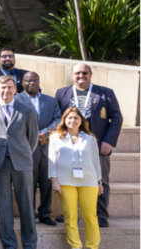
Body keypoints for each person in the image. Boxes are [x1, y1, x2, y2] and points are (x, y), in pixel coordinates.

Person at [54, 63, 122, 227]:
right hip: (69, 146)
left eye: (85, 73)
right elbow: (57, 117)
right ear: (72, 74)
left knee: (100, 180)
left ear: (90, 74)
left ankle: (100, 214)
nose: (81, 76)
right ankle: (70, 213)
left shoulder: (105, 93)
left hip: (97, 146)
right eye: (77, 73)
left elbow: (117, 118)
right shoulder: (62, 93)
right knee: (69, 179)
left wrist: (109, 141)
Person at [0, 76, 40, 249]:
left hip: (22, 162)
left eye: (9, 87)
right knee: (4, 206)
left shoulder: (27, 110)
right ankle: (9, 244)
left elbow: (32, 138)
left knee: (26, 205)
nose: (6, 91)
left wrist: (21, 151)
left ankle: (29, 243)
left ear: (15, 89)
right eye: (2, 87)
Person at [49, 107, 104, 249]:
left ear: (81, 121)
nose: (72, 120)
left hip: (89, 181)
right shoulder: (56, 137)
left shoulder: (90, 138)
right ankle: (76, 246)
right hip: (65, 181)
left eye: (76, 118)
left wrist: (99, 181)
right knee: (70, 215)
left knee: (90, 216)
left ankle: (93, 247)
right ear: (64, 120)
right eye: (69, 118)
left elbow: (95, 162)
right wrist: (54, 181)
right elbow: (52, 160)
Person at [15, 72, 62, 226]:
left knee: (47, 183)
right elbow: (15, 122)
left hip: (47, 148)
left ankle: (45, 213)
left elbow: (58, 119)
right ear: (22, 83)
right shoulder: (15, 100)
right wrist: (36, 135)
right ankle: (29, 214)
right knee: (29, 183)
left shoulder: (50, 100)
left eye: (35, 80)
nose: (32, 83)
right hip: (27, 149)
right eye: (28, 80)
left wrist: (46, 133)